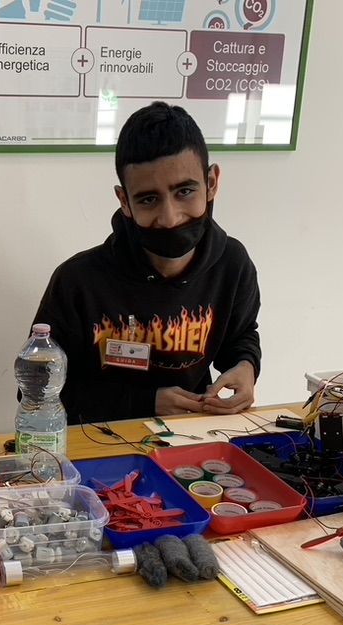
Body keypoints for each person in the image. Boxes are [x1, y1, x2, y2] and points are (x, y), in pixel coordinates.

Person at [30, 101, 261, 424]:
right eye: (149, 199)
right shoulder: (76, 282)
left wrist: (246, 366)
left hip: (193, 436)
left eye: (184, 191)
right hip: (100, 441)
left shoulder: (232, 265)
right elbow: (37, 391)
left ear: (211, 183)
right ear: (124, 201)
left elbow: (240, 336)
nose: (169, 218)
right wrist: (145, 403)